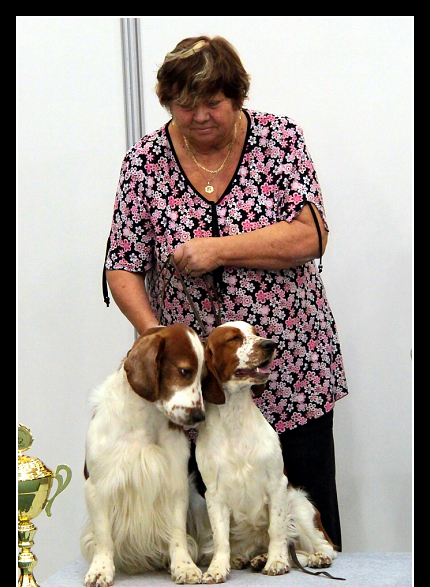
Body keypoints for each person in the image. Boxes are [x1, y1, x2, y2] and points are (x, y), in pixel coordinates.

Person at [104, 35, 348, 549]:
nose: (198, 116)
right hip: (200, 387)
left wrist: (218, 250)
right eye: (183, 105)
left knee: (310, 528)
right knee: (213, 537)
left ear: (237, 97)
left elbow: (311, 236)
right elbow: (121, 267)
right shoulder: (143, 163)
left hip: (289, 373)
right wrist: (158, 341)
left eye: (213, 103)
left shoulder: (279, 141)